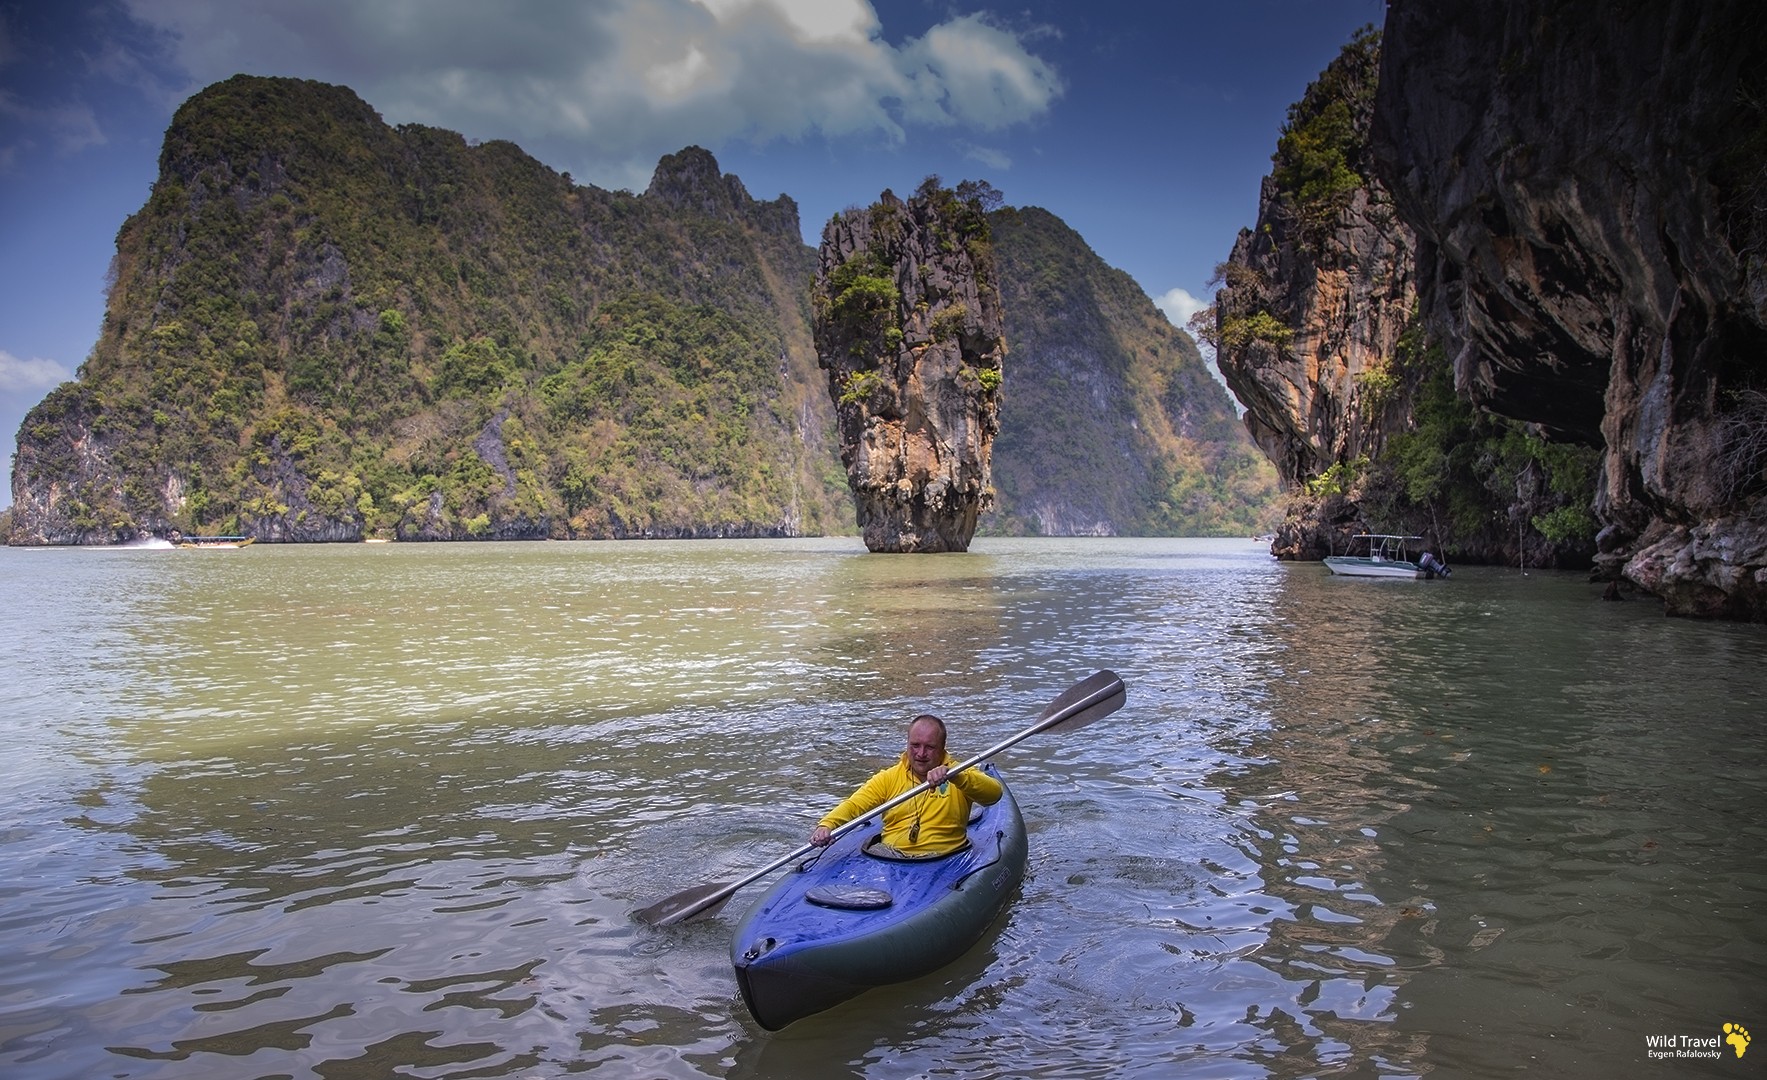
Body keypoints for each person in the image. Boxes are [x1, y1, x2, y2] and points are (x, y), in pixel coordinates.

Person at [808, 713, 1003, 858]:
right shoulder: (889, 777)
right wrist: (827, 824)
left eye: (930, 747)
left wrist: (955, 776)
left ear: (942, 748)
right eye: (915, 745)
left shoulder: (960, 773)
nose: (921, 753)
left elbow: (994, 795)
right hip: (890, 857)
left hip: (945, 858)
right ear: (907, 744)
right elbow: (855, 805)